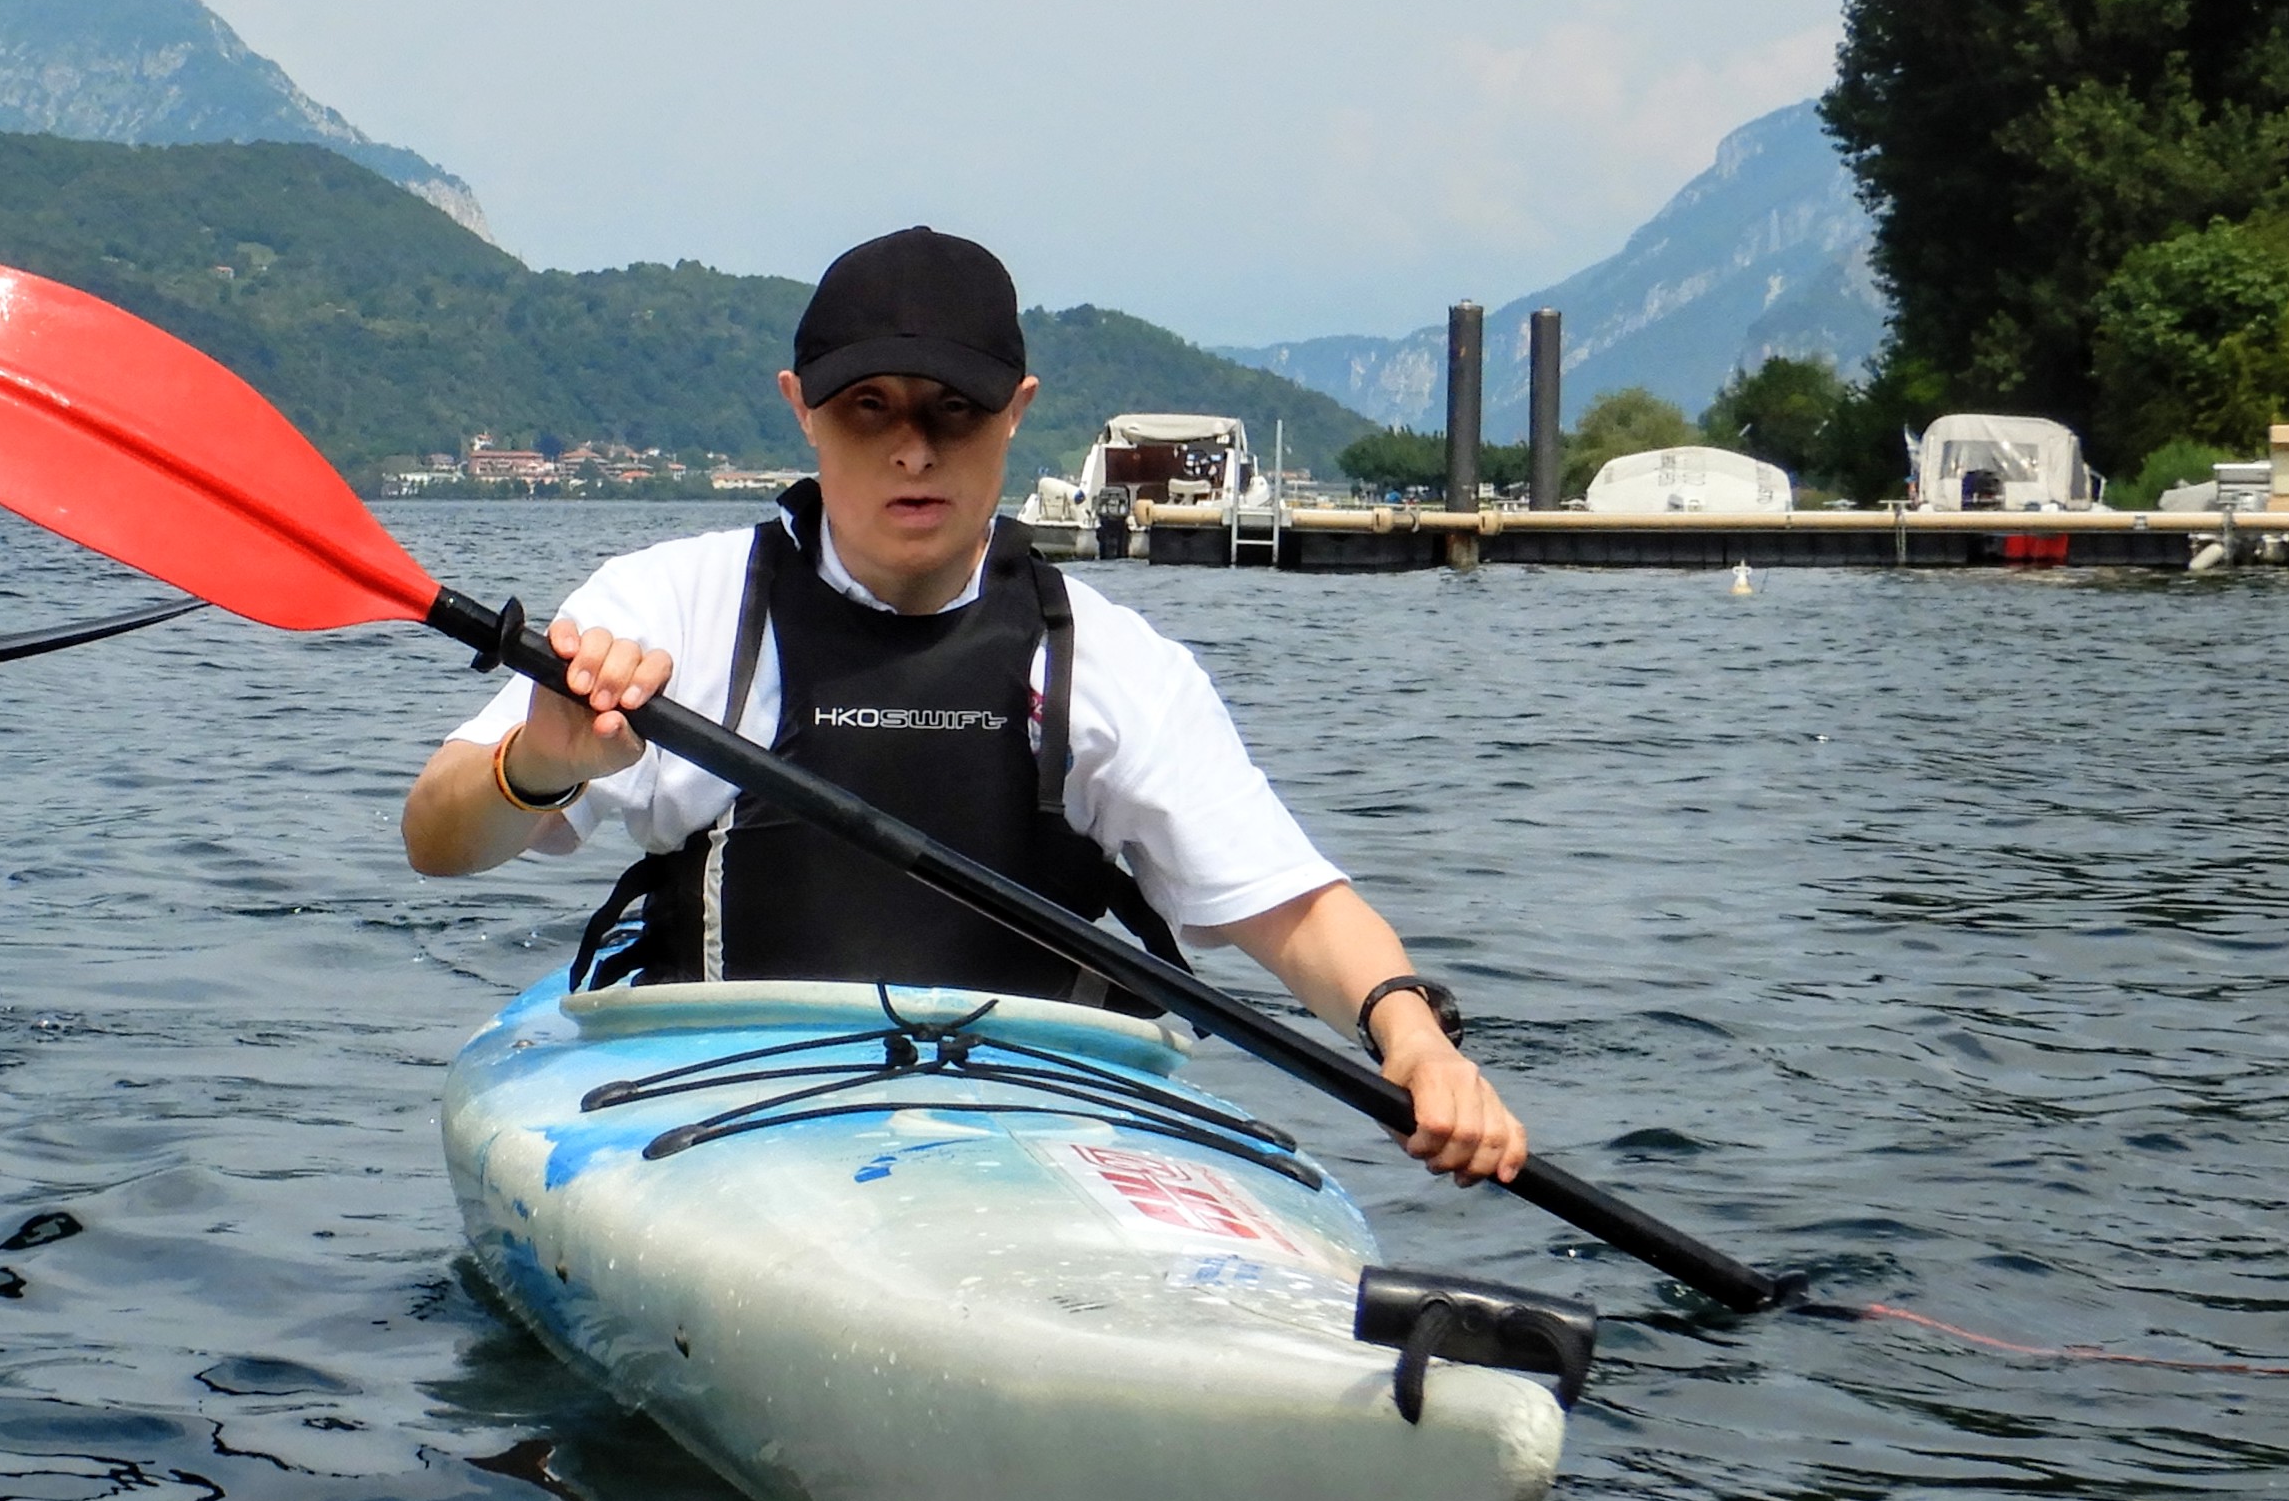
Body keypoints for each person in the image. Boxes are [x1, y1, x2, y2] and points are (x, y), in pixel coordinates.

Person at [400, 225, 1525, 1181]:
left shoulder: (1108, 663)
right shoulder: (666, 610)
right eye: (865, 408)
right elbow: (438, 840)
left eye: (954, 410)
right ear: (799, 408)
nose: (910, 449)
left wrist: (1414, 1041)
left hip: (1035, 1125)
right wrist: (535, 766)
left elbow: (1288, 906)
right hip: (728, 1106)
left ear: (1017, 409)